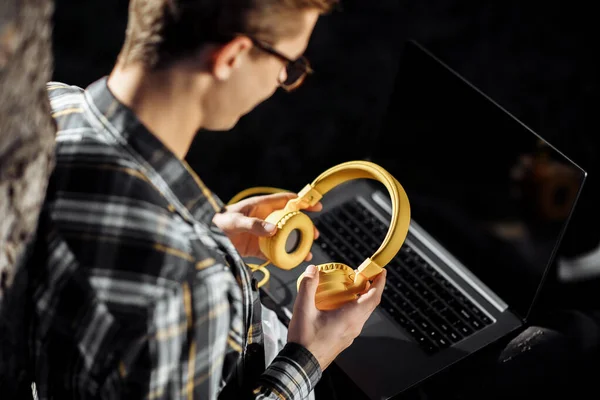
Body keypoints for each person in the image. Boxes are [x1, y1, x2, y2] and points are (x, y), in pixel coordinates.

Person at [2, 0, 387, 399]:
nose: (280, 81)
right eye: (287, 64)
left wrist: (203, 231)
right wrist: (308, 358)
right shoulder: (183, 287)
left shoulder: (47, 107)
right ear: (232, 57)